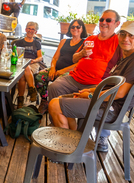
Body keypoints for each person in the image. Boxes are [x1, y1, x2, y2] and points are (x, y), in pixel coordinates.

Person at [49, 21, 134, 152]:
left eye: (131, 36)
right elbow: (111, 87)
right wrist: (90, 90)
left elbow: (119, 93)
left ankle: (68, 149)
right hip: (104, 102)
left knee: (55, 105)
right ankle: (73, 141)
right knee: (59, 99)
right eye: (123, 34)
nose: (126, 39)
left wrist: (90, 95)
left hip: (110, 109)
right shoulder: (125, 58)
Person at [36, 20, 87, 114]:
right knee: (39, 76)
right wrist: (52, 68)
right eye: (73, 27)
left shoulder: (84, 43)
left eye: (78, 27)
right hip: (56, 69)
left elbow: (79, 63)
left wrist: (62, 71)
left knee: (59, 83)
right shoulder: (63, 41)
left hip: (71, 73)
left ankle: (57, 105)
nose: (75, 28)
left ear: (82, 29)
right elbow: (55, 58)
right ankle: (45, 102)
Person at [14, 21, 42, 108]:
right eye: (29, 28)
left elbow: (40, 57)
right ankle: (32, 90)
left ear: (35, 32)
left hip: (33, 63)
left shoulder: (37, 43)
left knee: (23, 73)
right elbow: (14, 55)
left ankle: (20, 100)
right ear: (25, 29)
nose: (30, 30)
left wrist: (34, 61)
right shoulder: (19, 42)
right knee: (25, 68)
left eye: (33, 29)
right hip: (20, 63)